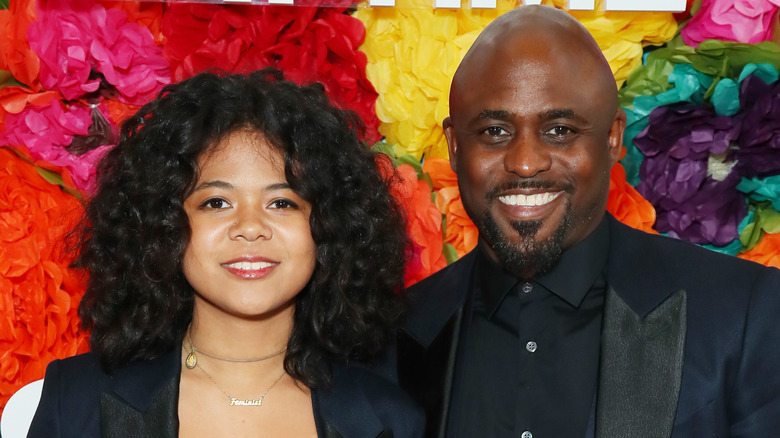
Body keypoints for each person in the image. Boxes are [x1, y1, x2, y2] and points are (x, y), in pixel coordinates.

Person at [396, 5, 780, 438]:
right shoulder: (394, 336)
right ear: (453, 144)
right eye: (494, 132)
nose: (525, 163)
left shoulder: (744, 313)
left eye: (560, 130)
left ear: (613, 138)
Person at [28, 69, 424, 437]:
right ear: (162, 226)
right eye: (216, 202)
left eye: (282, 203)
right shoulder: (75, 403)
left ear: (329, 228)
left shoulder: (389, 419)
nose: (250, 227)